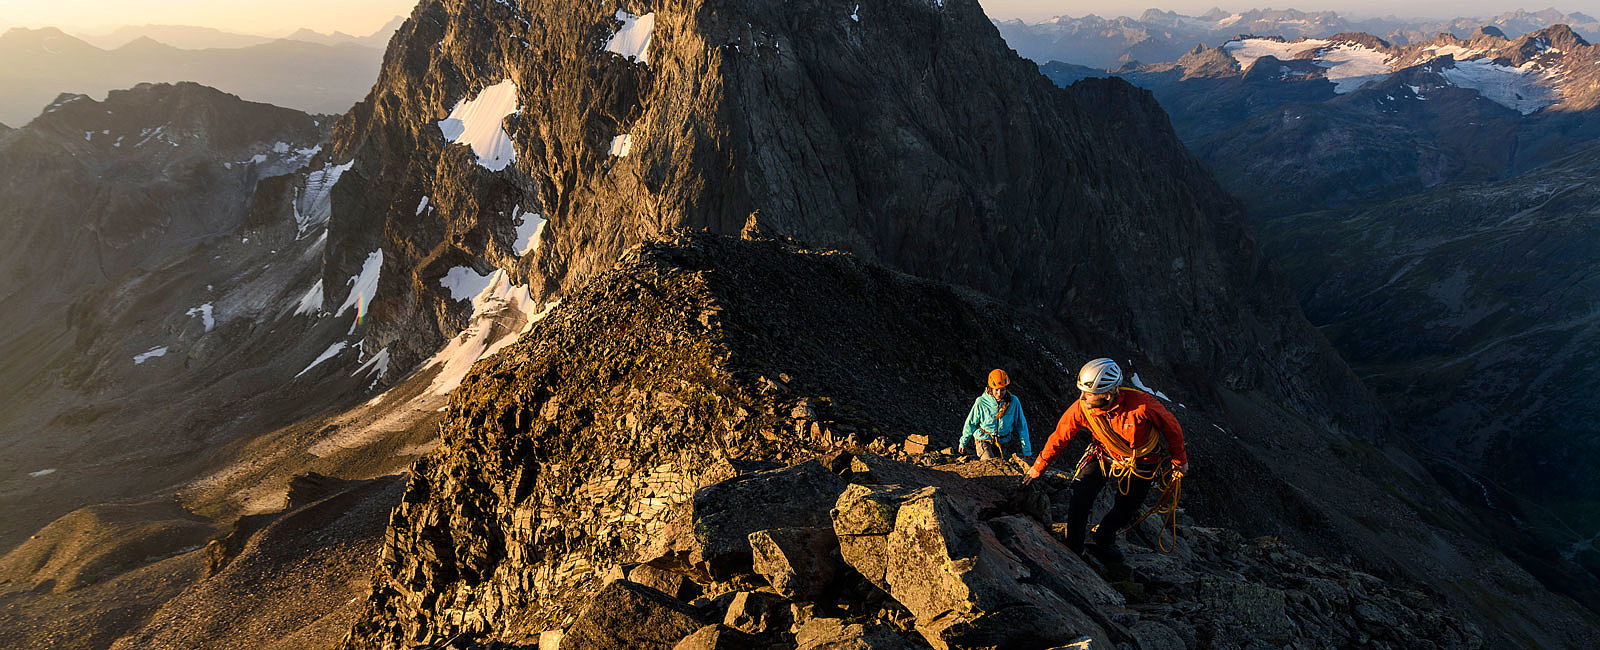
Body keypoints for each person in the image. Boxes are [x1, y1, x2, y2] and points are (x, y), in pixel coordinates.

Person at [1023, 358, 1188, 563]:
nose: (1081, 397)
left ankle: (1104, 536)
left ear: (1108, 395)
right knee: (1080, 496)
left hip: (1141, 461)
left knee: (1126, 507)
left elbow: (1172, 428)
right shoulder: (1082, 408)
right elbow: (1060, 437)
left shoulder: (1143, 406)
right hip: (1104, 453)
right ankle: (1074, 545)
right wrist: (1038, 468)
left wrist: (1179, 461)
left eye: (1088, 393)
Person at [958, 369, 1033, 460]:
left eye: (1002, 390)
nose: (999, 393)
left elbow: (1022, 426)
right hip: (983, 439)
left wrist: (1027, 451)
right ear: (990, 388)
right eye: (996, 390)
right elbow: (971, 423)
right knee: (989, 462)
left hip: (1003, 442)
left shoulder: (1014, 402)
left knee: (1002, 465)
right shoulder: (981, 402)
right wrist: (963, 442)